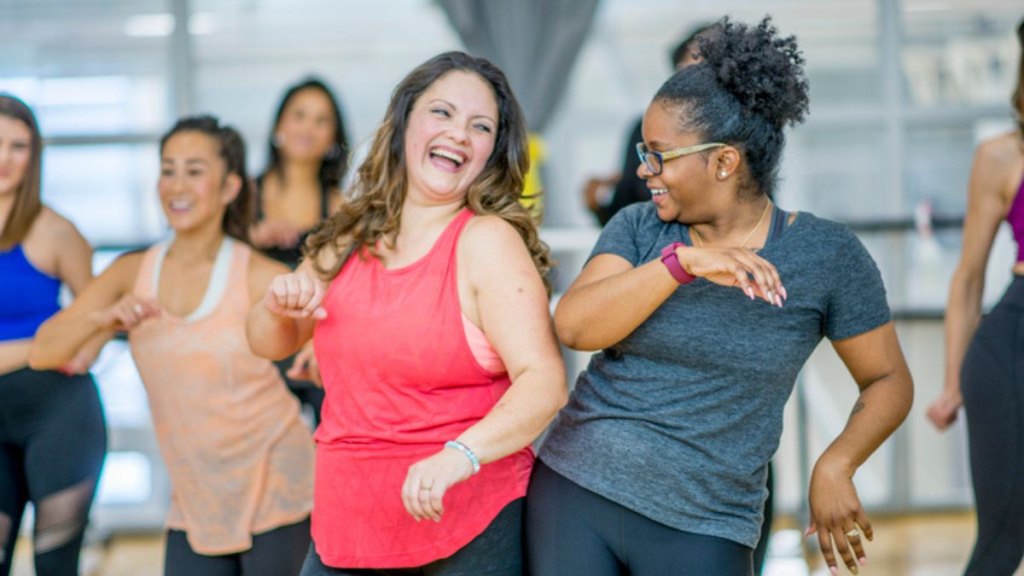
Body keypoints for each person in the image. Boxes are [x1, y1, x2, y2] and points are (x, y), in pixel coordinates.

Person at [528, 17, 914, 576]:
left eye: (659, 154)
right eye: (643, 151)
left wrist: (837, 463)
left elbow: (888, 380)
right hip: (577, 488)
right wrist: (679, 265)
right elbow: (575, 325)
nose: (643, 170)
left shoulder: (826, 255)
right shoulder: (641, 228)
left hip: (709, 522)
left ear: (724, 161)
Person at [246, 51, 567, 575]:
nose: (459, 133)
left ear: (491, 151)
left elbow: (544, 382)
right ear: (404, 124)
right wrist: (275, 304)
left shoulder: (487, 241)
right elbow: (267, 342)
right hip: (345, 525)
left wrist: (460, 455)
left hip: (466, 523)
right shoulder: (350, 234)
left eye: (479, 126)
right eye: (442, 113)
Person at [29, 115, 315, 576]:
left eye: (194, 170)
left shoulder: (260, 275)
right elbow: (45, 351)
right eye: (168, 169)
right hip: (195, 500)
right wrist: (105, 317)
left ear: (229, 188)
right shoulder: (130, 273)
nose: (176, 184)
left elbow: (333, 338)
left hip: (280, 481)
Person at [926, 17, 1024, 576]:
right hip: (1011, 349)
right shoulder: (1001, 155)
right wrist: (950, 383)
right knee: (1002, 540)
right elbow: (967, 278)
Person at [0, 94, 106, 576]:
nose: (5, 158)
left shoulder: (58, 232)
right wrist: (41, 347)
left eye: (19, 146)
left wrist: (82, 348)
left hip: (60, 413)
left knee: (56, 566)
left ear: (34, 155)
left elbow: (98, 320)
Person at [252, 77, 350, 424]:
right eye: (300, 115)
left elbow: (350, 286)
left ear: (333, 138)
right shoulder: (243, 198)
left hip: (316, 345)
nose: (308, 128)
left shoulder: (341, 206)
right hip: (254, 345)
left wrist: (319, 343)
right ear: (280, 124)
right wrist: (250, 237)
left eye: (321, 120)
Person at [582, 23, 714, 227]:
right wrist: (596, 205)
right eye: (684, 71)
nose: (645, 171)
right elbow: (623, 210)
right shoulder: (643, 129)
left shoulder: (747, 134)